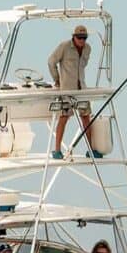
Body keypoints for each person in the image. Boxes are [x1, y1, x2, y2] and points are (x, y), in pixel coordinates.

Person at [47, 25, 93, 160]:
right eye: (79, 37)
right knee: (64, 117)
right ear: (74, 37)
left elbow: (83, 66)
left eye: (84, 38)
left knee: (86, 117)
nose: (82, 40)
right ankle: (57, 150)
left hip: (81, 89)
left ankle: (91, 149)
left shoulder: (88, 48)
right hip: (67, 90)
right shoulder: (64, 46)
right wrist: (57, 79)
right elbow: (51, 61)